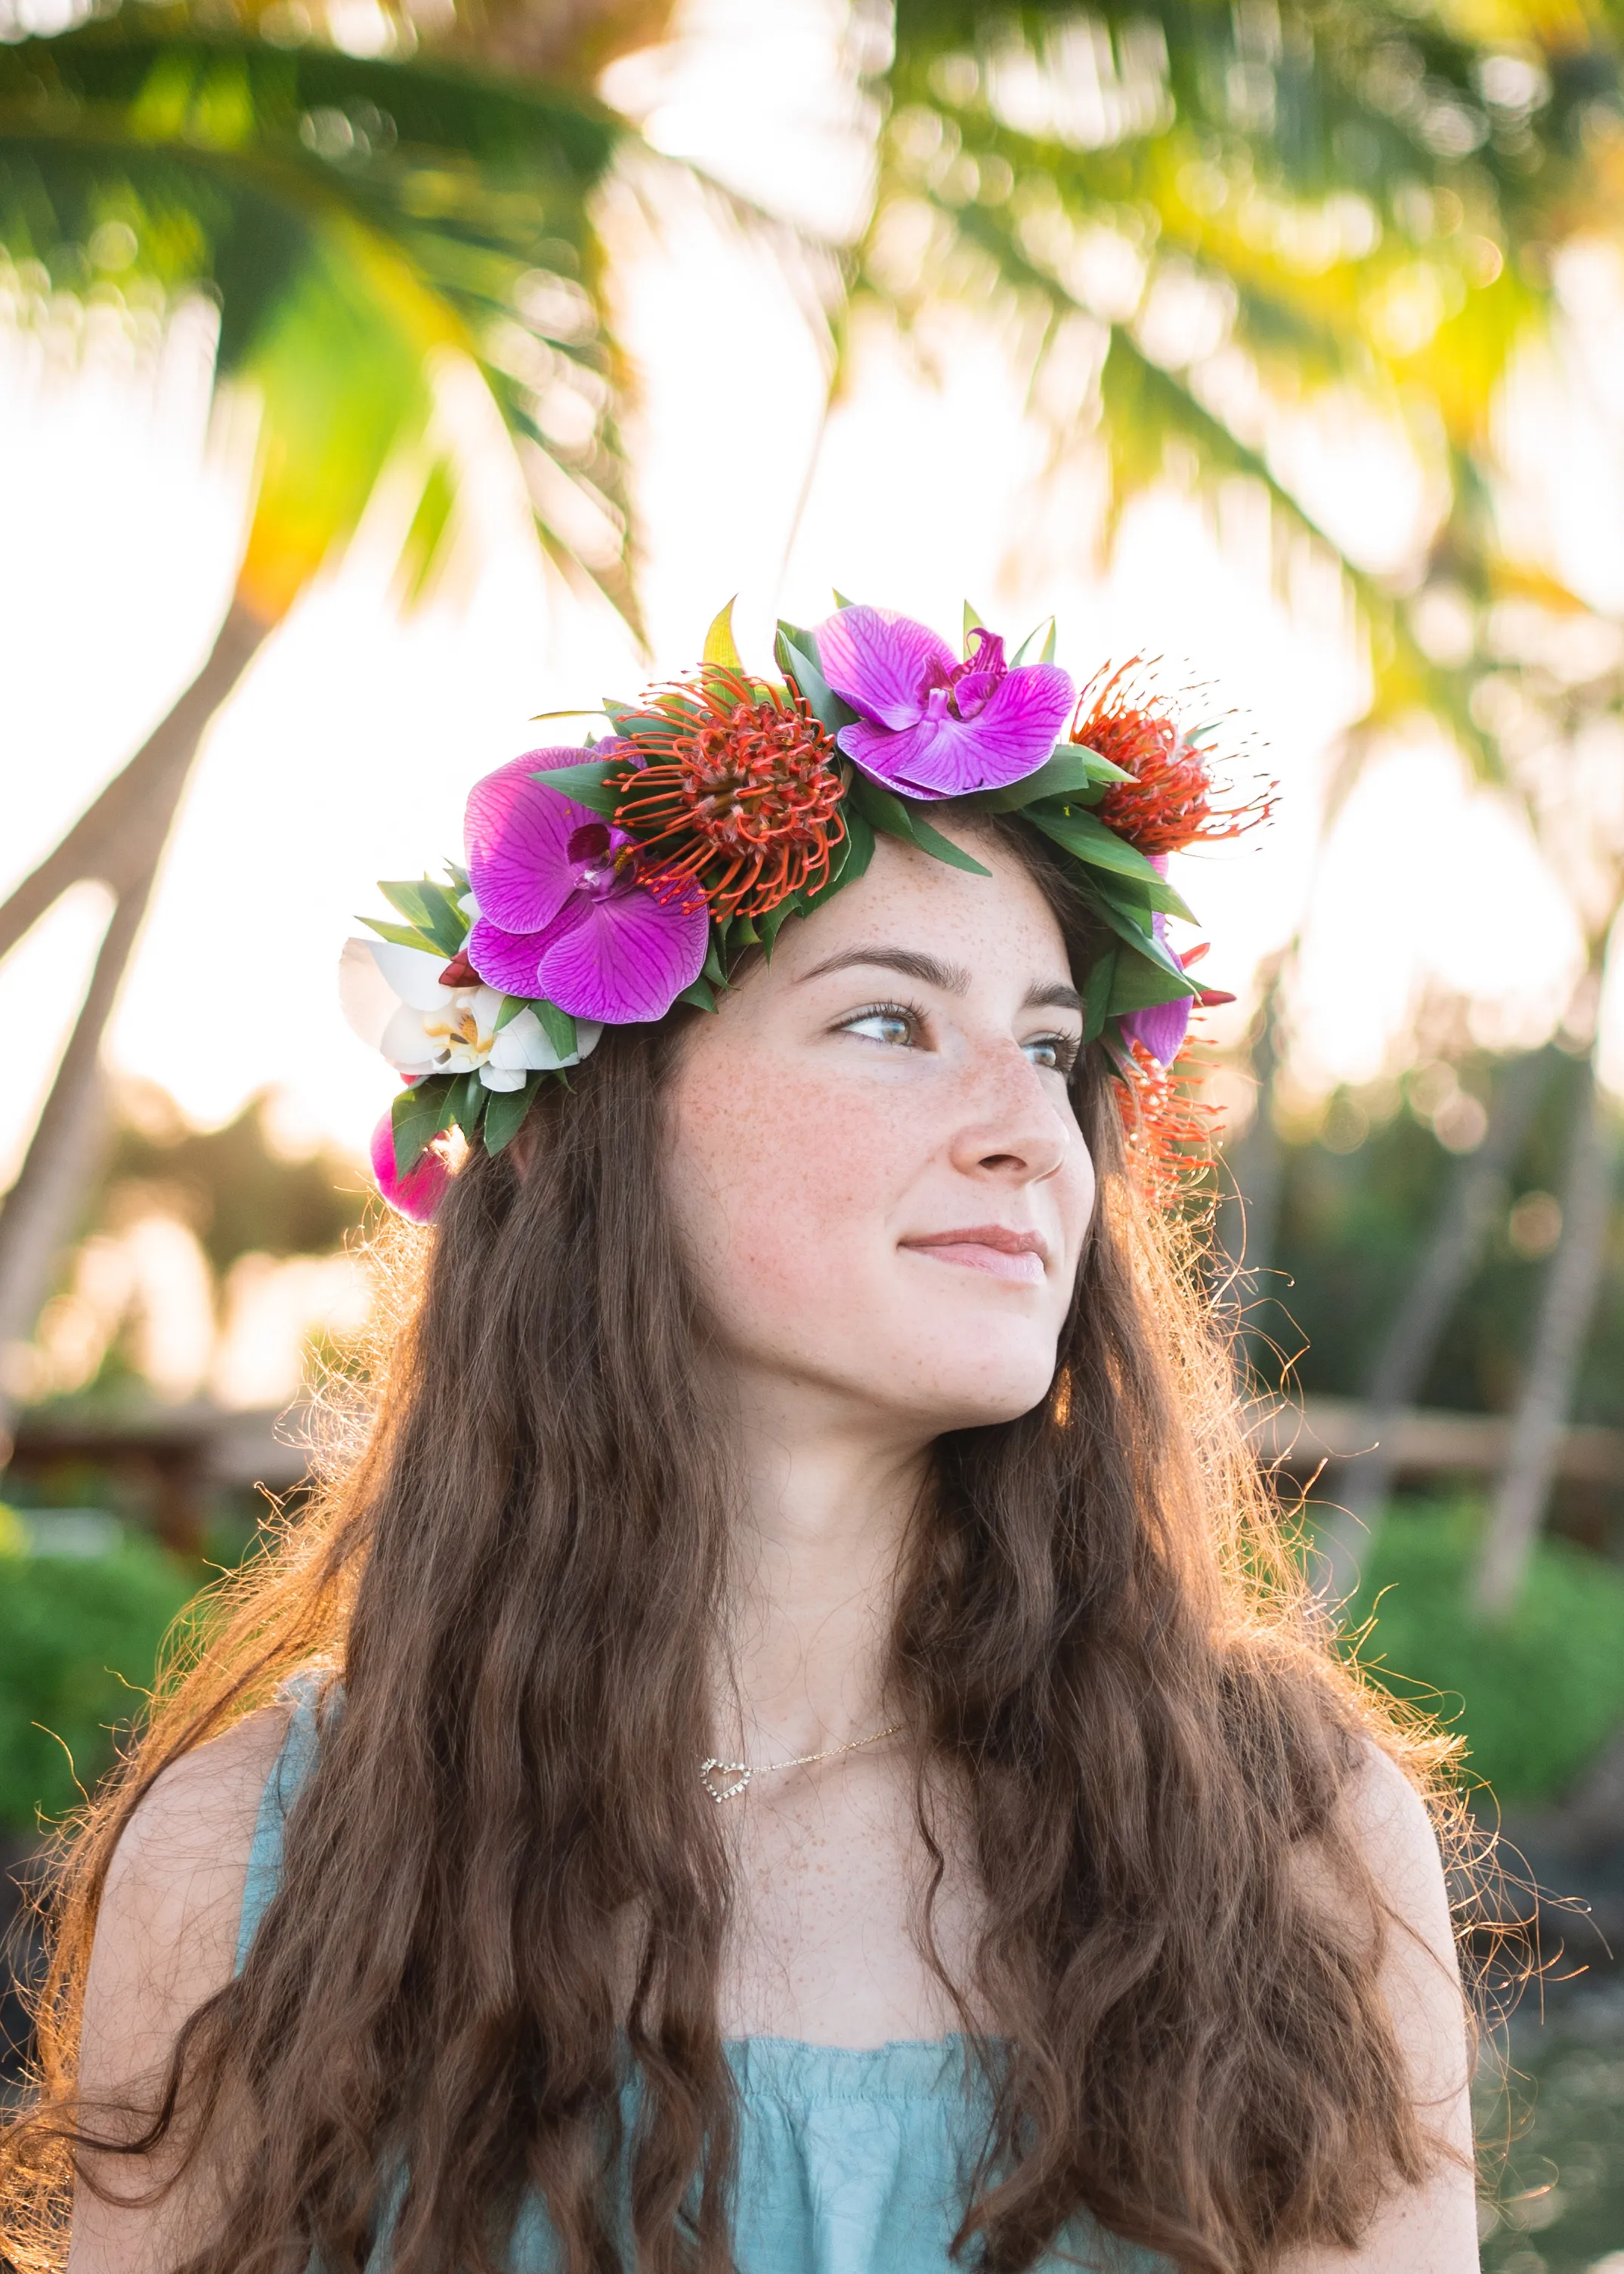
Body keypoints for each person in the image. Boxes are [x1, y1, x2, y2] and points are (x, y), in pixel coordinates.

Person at [2, 604, 1479, 2274]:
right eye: (889, 1022)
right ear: (590, 1132)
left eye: (1055, 1048)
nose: (1029, 1132)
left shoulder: (1287, 1839)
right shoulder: (253, 1866)